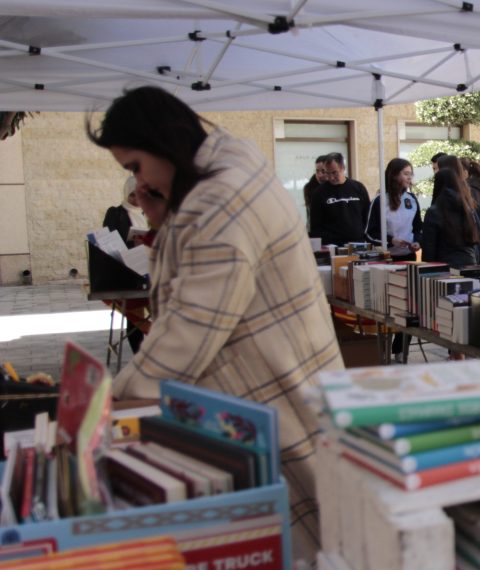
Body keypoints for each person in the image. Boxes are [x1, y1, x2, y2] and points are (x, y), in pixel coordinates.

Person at [87, 86, 342, 562]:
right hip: (278, 395)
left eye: (135, 166)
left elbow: (187, 333)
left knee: (314, 543)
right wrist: (164, 212)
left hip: (274, 405)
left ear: (161, 142)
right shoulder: (224, 165)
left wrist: (101, 410)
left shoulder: (218, 200)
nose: (137, 184)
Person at [101, 175, 150, 354]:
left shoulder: (150, 212)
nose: (136, 200)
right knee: (134, 313)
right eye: (132, 195)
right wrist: (133, 244)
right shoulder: (115, 213)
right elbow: (110, 243)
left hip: (151, 271)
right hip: (127, 273)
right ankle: (139, 353)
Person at [421, 158, 479, 268]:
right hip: (470, 264)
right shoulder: (467, 206)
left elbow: (429, 249)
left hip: (443, 268)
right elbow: (475, 240)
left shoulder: (434, 211)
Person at [364, 157, 421, 261]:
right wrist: (391, 241)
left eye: (410, 174)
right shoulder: (379, 201)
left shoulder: (412, 199)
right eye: (406, 174)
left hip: (409, 257)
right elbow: (369, 233)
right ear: (394, 175)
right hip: (385, 257)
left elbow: (418, 228)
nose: (409, 177)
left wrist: (417, 242)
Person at [308, 152, 370, 246]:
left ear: (343, 168)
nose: (331, 177)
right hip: (333, 246)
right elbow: (315, 226)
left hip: (358, 244)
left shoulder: (358, 188)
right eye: (327, 173)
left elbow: (367, 216)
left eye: (334, 172)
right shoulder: (319, 193)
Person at [302, 154, 328, 224]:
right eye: (317, 171)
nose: (320, 175)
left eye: (323, 171)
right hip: (316, 230)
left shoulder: (336, 186)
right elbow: (310, 215)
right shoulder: (309, 188)